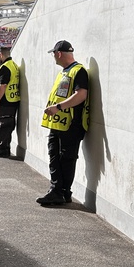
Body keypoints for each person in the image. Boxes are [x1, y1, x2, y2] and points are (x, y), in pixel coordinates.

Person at [36, 40, 89, 205]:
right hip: (58, 123)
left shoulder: (78, 71)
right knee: (55, 156)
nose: (53, 57)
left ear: (58, 54)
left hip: (71, 124)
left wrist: (58, 107)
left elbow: (81, 94)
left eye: (54, 54)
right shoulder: (64, 72)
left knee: (66, 158)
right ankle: (60, 190)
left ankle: (59, 191)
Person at [0, 47, 20, 158]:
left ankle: (2, 149)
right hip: (13, 100)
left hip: (5, 101)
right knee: (7, 126)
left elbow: (3, 85)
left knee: (2, 126)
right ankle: (4, 148)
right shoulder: (14, 66)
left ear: (1, 54)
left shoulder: (5, 68)